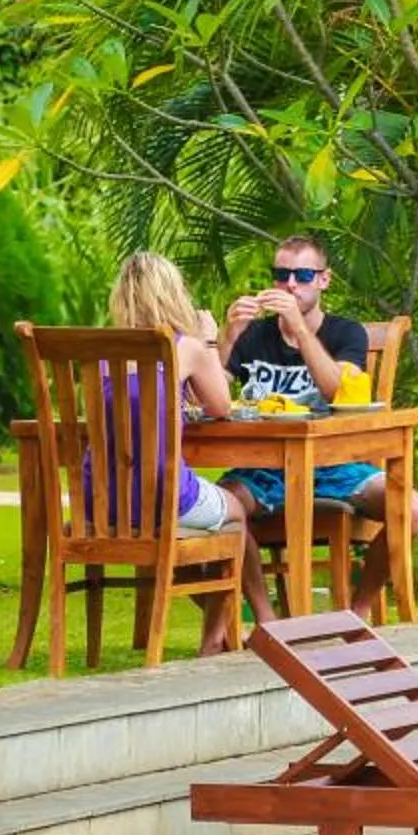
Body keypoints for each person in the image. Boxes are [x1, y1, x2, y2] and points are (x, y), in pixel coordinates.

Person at [218, 232, 418, 615]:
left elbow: (336, 392)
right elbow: (212, 398)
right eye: (281, 275)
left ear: (323, 279)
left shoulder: (345, 332)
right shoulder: (254, 335)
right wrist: (228, 336)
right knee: (221, 508)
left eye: (301, 275)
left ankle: (358, 611)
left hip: (337, 467)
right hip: (261, 470)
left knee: (411, 509)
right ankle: (268, 621)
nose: (290, 284)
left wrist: (299, 329)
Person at [106, 251, 273, 657]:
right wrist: (210, 339)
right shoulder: (186, 347)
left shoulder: (100, 349)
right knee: (236, 514)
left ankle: (235, 630)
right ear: (173, 295)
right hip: (164, 494)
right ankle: (219, 638)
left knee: (214, 521)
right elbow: (220, 407)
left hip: (107, 500)